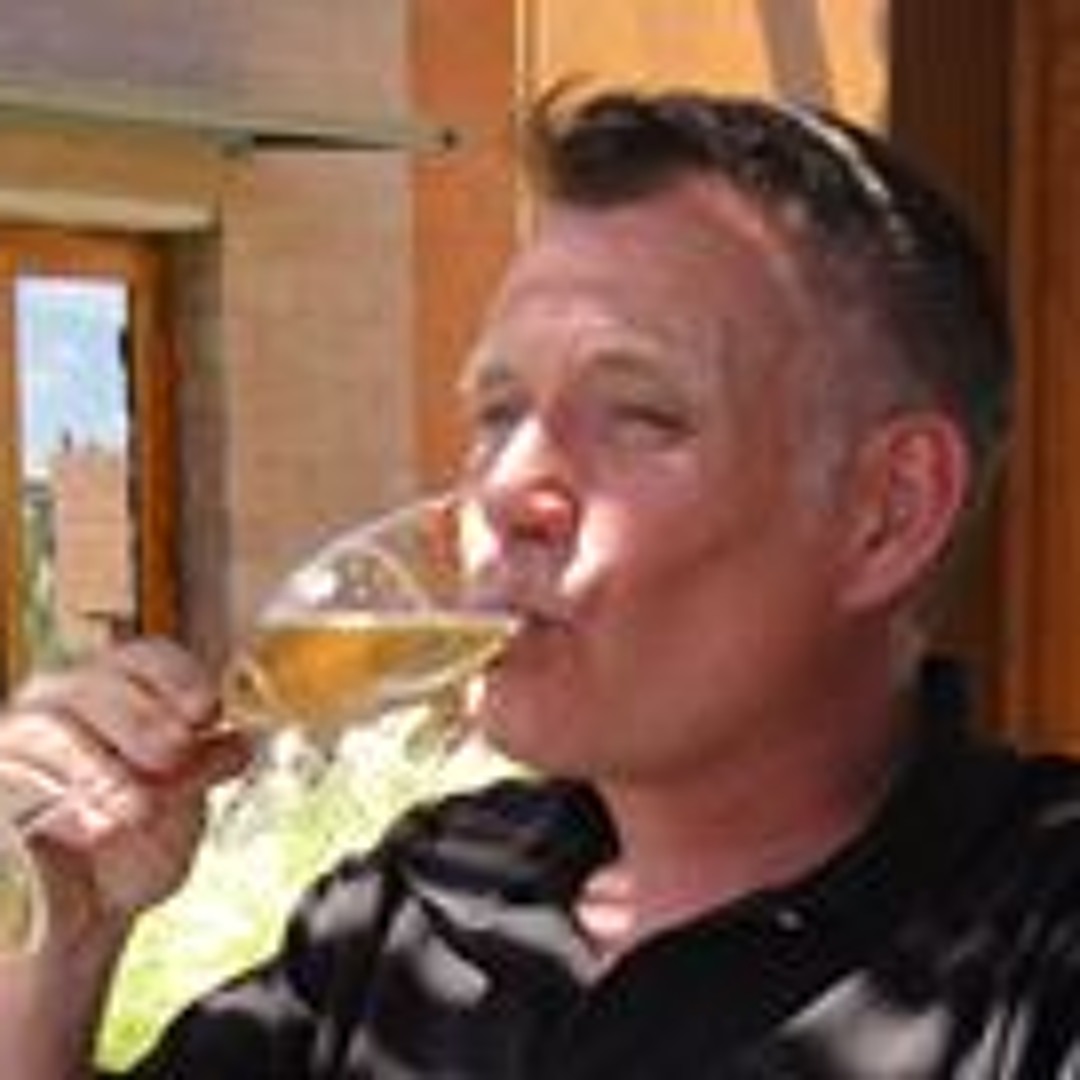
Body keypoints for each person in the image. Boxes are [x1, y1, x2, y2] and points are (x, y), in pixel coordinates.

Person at [0, 83, 1073, 1079]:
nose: (509, 486)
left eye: (640, 415)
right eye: (499, 413)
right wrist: (64, 947)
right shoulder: (422, 900)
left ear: (887, 512)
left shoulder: (1037, 955)